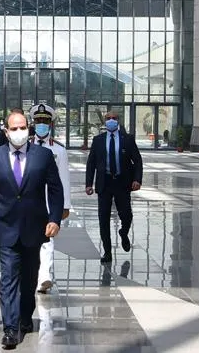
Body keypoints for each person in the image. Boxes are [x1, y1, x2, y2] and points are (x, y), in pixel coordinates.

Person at [0, 108, 64, 349]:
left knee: (29, 278)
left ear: (28, 128)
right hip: (6, 227)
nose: (19, 132)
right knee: (9, 277)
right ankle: (10, 329)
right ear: (6, 131)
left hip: (35, 227)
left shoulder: (43, 156)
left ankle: (25, 317)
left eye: (22, 127)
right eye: (14, 128)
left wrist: (55, 219)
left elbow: (56, 190)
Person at [85, 110, 143, 263]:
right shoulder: (98, 140)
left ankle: (123, 232)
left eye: (114, 118)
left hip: (122, 183)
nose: (111, 120)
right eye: (108, 118)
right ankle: (107, 252)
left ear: (118, 121)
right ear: (105, 121)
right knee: (103, 218)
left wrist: (137, 179)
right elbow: (91, 163)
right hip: (104, 183)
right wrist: (89, 184)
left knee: (126, 215)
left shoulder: (128, 139)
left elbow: (137, 161)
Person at [28, 103, 71, 294]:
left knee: (47, 238)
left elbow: (64, 179)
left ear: (50, 124)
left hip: (49, 201)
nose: (41, 124)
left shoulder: (58, 150)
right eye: (38, 121)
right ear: (33, 123)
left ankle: (44, 276)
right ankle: (33, 274)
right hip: (28, 199)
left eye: (45, 121)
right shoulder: (25, 145)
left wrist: (65, 205)